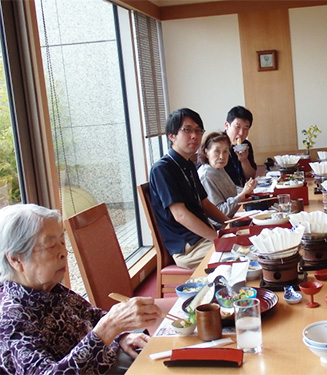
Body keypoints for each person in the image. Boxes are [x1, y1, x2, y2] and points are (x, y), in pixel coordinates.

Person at [0, 204, 161, 374]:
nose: (64, 252)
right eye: (51, 245)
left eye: (62, 242)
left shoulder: (51, 289)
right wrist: (109, 328)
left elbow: (92, 315)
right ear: (16, 259)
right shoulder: (10, 321)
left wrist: (122, 335)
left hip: (111, 360)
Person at [149, 108, 229, 269]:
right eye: (187, 130)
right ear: (172, 135)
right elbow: (180, 215)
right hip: (188, 248)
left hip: (204, 238)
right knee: (240, 254)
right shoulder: (162, 169)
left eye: (198, 130)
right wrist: (218, 239)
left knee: (248, 242)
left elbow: (205, 204)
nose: (195, 135)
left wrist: (232, 225)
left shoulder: (188, 164)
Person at [197, 132, 257, 230]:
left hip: (235, 216)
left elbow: (233, 189)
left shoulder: (219, 168)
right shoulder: (206, 175)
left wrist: (248, 188)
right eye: (217, 151)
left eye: (225, 151)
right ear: (206, 152)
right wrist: (242, 194)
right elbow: (220, 212)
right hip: (222, 227)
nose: (221, 156)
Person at [223, 106, 257, 188]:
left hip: (241, 191)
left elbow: (251, 177)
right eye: (237, 127)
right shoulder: (216, 145)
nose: (241, 133)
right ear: (227, 125)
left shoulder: (246, 145)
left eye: (246, 128)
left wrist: (244, 160)